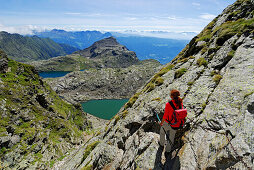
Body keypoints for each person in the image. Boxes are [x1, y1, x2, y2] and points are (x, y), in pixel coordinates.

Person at [159, 89, 183, 157]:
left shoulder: (168, 104)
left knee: (162, 132)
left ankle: (161, 144)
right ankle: (168, 151)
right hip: (176, 124)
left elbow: (165, 116)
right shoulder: (180, 103)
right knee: (171, 137)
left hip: (168, 123)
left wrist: (161, 123)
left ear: (172, 96)